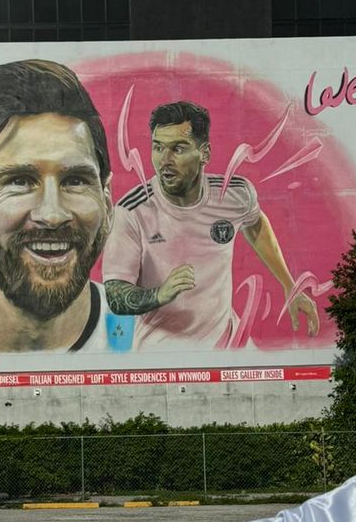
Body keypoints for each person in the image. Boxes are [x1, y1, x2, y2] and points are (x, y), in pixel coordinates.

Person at [102, 101, 319, 348]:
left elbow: (256, 225)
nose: (164, 160)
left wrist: (289, 286)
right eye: (158, 147)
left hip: (228, 341)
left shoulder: (234, 194)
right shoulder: (131, 210)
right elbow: (116, 294)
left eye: (178, 149)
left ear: (204, 153)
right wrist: (159, 294)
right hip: (163, 349)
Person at [0, 60, 113, 354]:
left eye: (75, 180)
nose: (52, 215)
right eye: (20, 181)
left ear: (108, 203)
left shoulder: (157, 340)